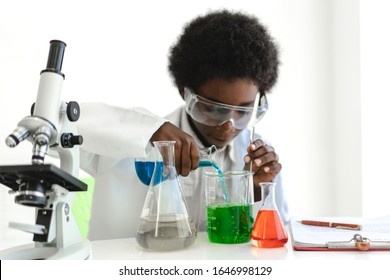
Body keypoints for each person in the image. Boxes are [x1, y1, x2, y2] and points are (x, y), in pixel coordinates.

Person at [77, 9, 289, 241]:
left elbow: (276, 243)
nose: (228, 125)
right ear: (185, 92)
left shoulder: (258, 158)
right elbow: (51, 125)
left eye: (243, 110)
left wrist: (256, 196)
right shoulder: (133, 140)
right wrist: (149, 131)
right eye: (215, 109)